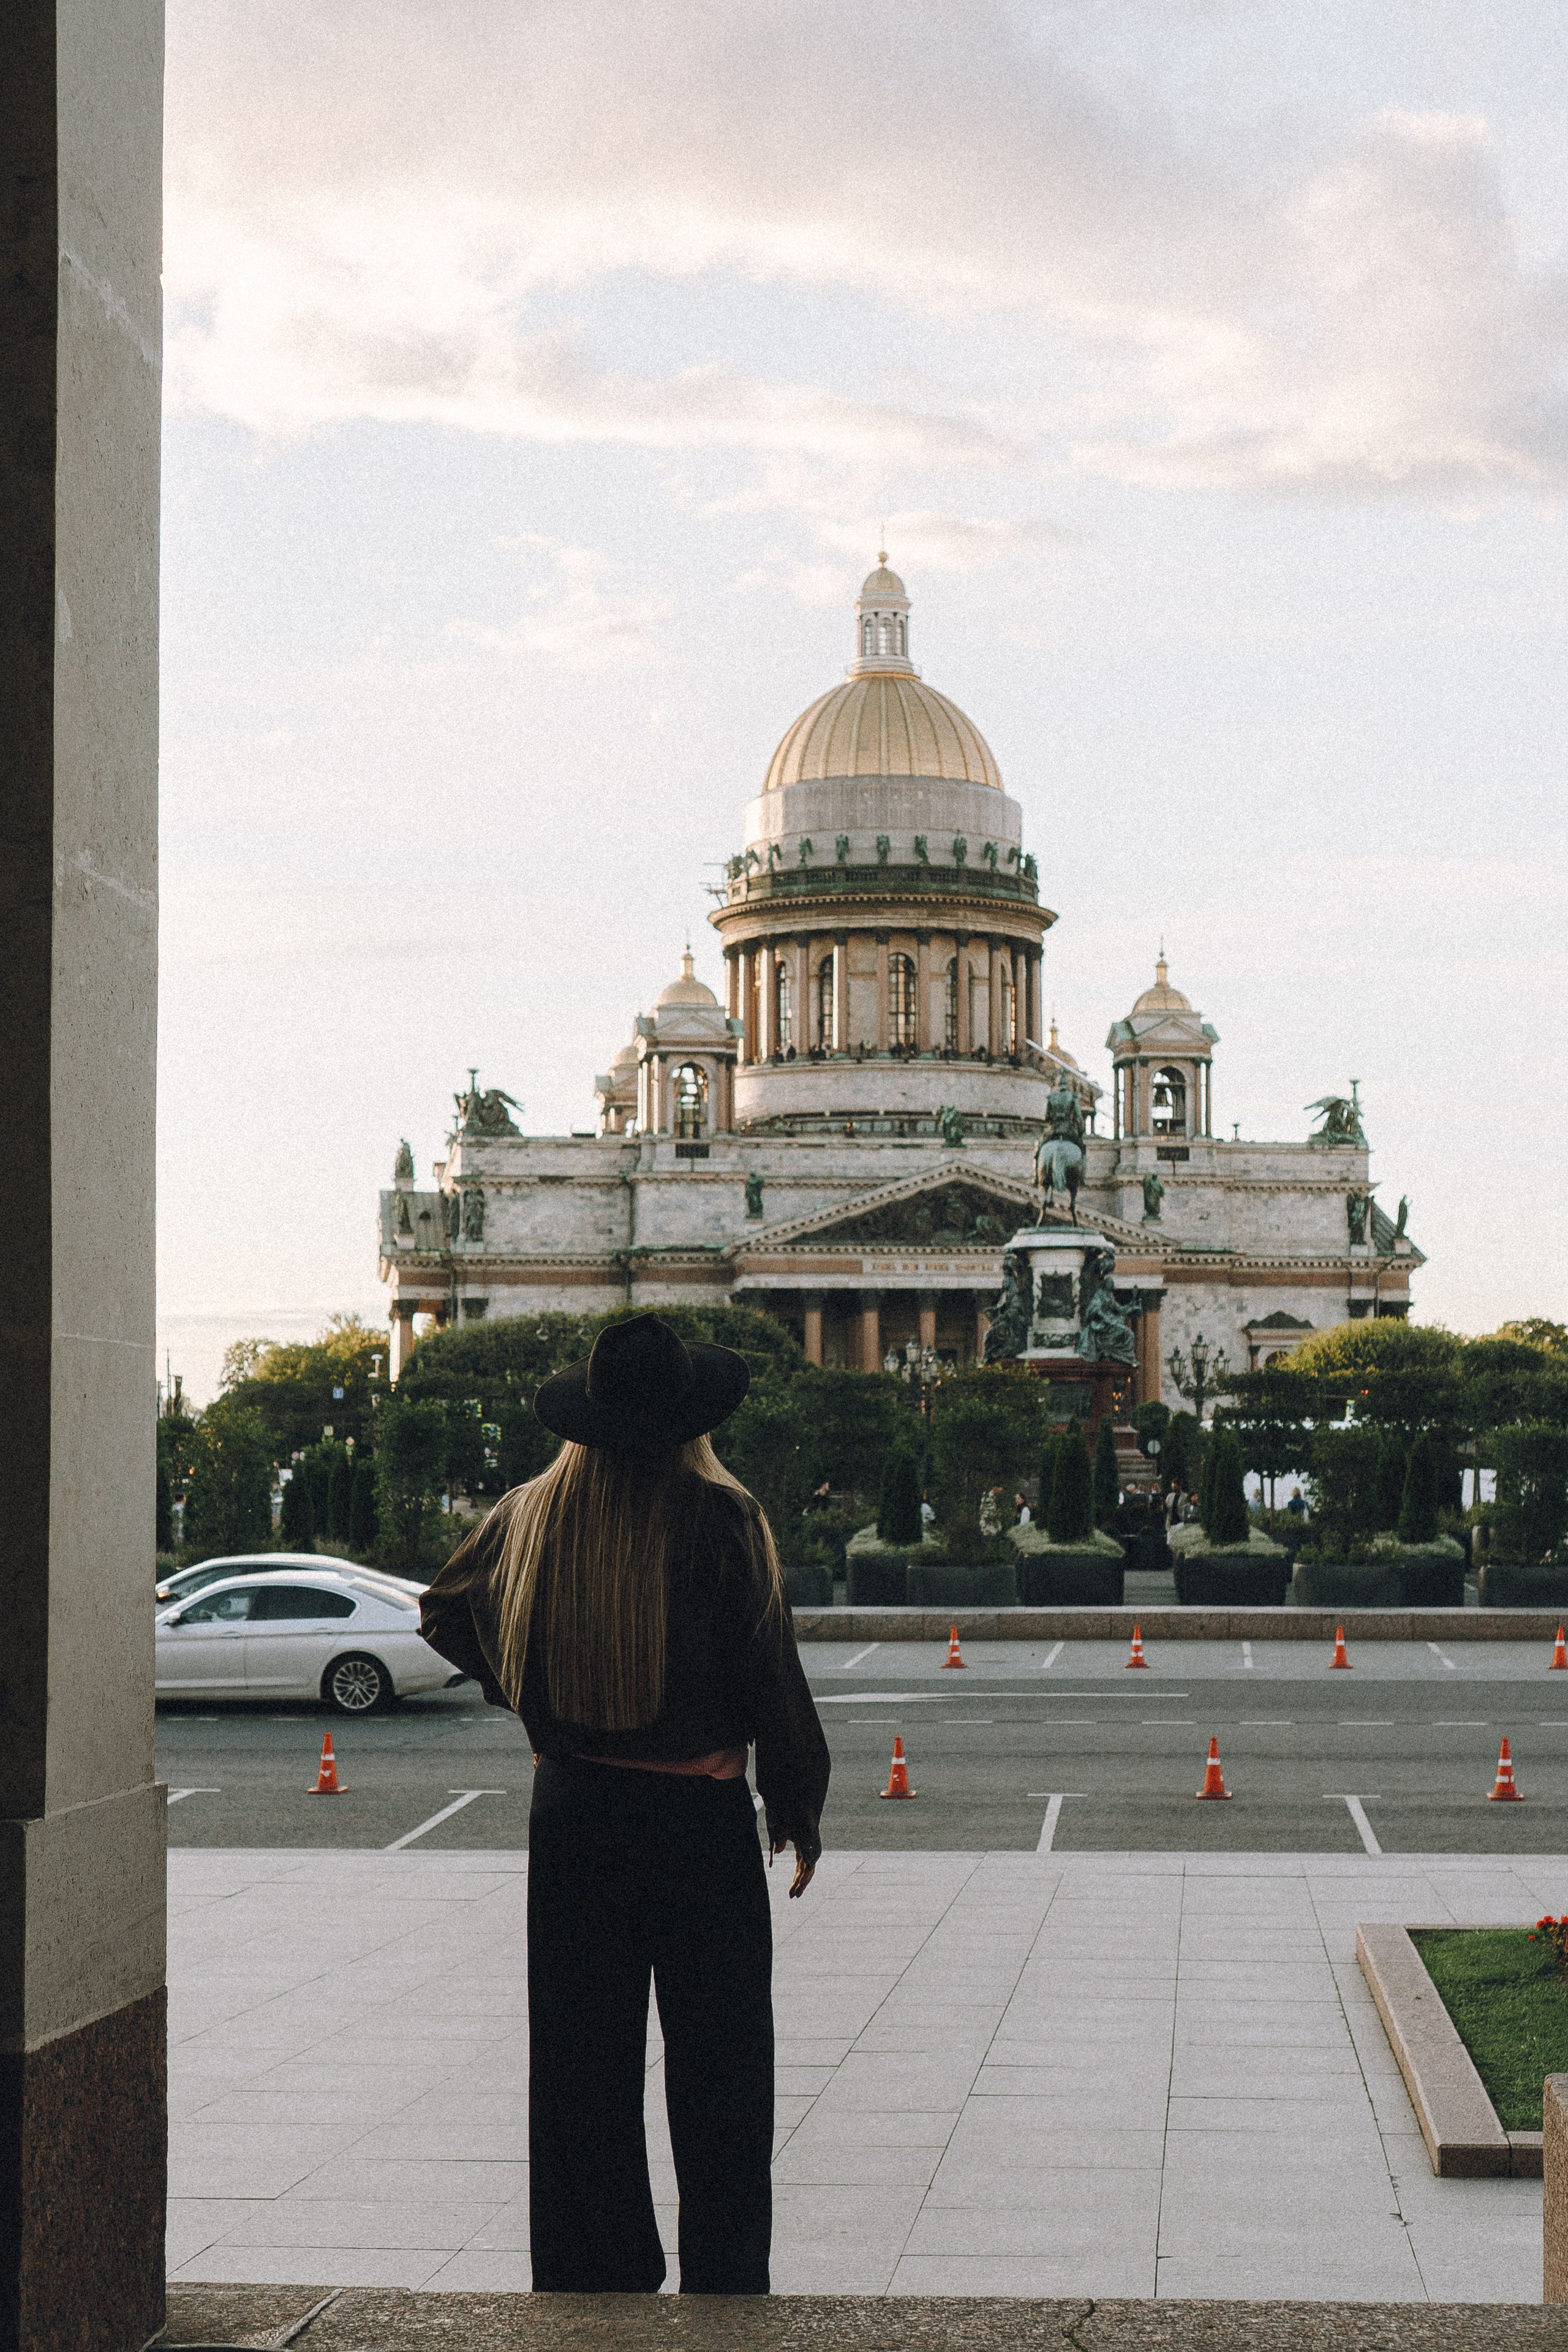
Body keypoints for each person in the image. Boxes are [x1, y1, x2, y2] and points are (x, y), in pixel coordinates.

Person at [418, 1313, 829, 2297]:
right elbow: (775, 1678)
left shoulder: (527, 1514)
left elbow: (440, 1611)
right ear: (694, 1417)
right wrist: (797, 1808)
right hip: (698, 1823)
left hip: (572, 1814)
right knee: (721, 2070)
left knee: (578, 2069)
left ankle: (592, 2280)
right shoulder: (722, 1517)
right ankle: (725, 2282)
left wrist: (533, 1690)